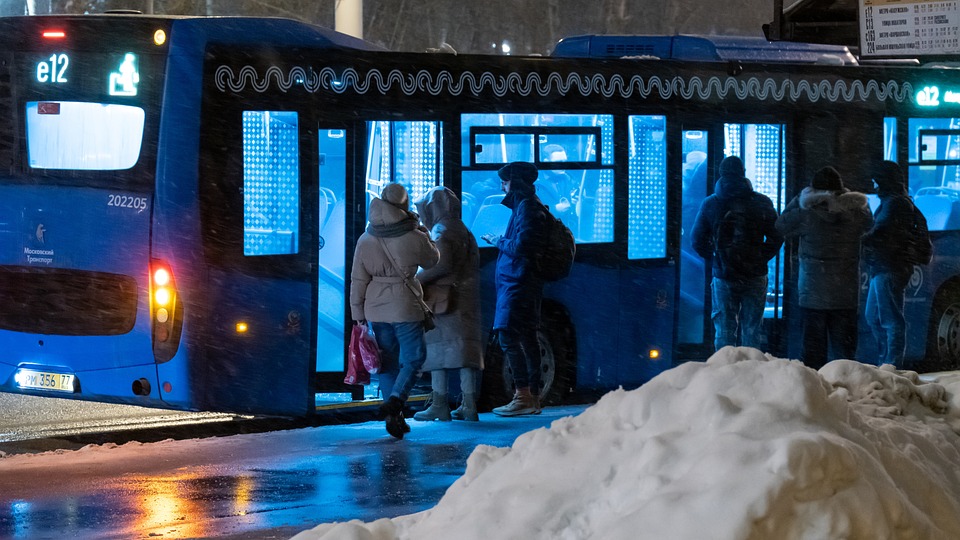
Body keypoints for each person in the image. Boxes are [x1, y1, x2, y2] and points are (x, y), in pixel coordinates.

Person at [350, 183, 440, 439]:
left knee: (387, 362)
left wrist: (357, 313)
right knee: (414, 359)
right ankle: (396, 400)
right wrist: (425, 234)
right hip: (405, 307)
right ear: (404, 205)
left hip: (375, 310)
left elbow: (358, 280)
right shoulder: (413, 235)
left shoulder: (365, 238)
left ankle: (394, 416)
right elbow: (433, 260)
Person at [776, 166, 873, 369]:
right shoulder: (855, 214)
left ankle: (815, 387)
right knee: (844, 356)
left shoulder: (806, 215)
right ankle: (845, 387)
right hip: (845, 295)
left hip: (813, 295)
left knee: (813, 355)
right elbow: (869, 222)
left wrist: (801, 199)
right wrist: (845, 198)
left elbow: (781, 225)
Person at [691, 155, 784, 351]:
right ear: (743, 173)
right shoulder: (761, 201)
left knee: (724, 330)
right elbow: (777, 236)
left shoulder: (711, 203)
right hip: (755, 274)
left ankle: (724, 367)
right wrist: (760, 256)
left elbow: (696, 240)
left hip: (724, 275)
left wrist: (716, 258)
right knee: (752, 330)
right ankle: (750, 367)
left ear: (720, 174)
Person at [481, 161, 548, 416]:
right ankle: (531, 397)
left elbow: (521, 246)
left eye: (505, 181)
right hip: (519, 282)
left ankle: (523, 395)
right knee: (527, 338)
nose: (502, 186)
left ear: (516, 183)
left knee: (508, 336)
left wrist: (497, 240)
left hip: (519, 283)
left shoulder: (528, 209)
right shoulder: (525, 206)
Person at [412, 186, 484, 422]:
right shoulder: (464, 229)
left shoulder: (441, 229)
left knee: (438, 353)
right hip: (465, 299)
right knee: (465, 354)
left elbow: (441, 264)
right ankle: (469, 404)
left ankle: (439, 404)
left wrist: (416, 280)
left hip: (444, 301)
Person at [863, 160, 915, 368]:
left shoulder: (895, 204)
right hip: (884, 267)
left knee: (889, 320)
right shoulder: (894, 202)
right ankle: (886, 360)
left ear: (885, 181)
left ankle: (891, 365)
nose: (874, 185)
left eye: (876, 181)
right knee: (874, 316)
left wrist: (862, 238)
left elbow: (881, 232)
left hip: (889, 267)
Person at [535, 144, 579, 237]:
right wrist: (555, 209)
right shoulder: (535, 183)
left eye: (565, 161)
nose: (563, 165)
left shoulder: (568, 179)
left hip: (566, 233)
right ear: (546, 162)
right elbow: (530, 211)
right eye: (559, 162)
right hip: (543, 234)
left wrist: (575, 202)